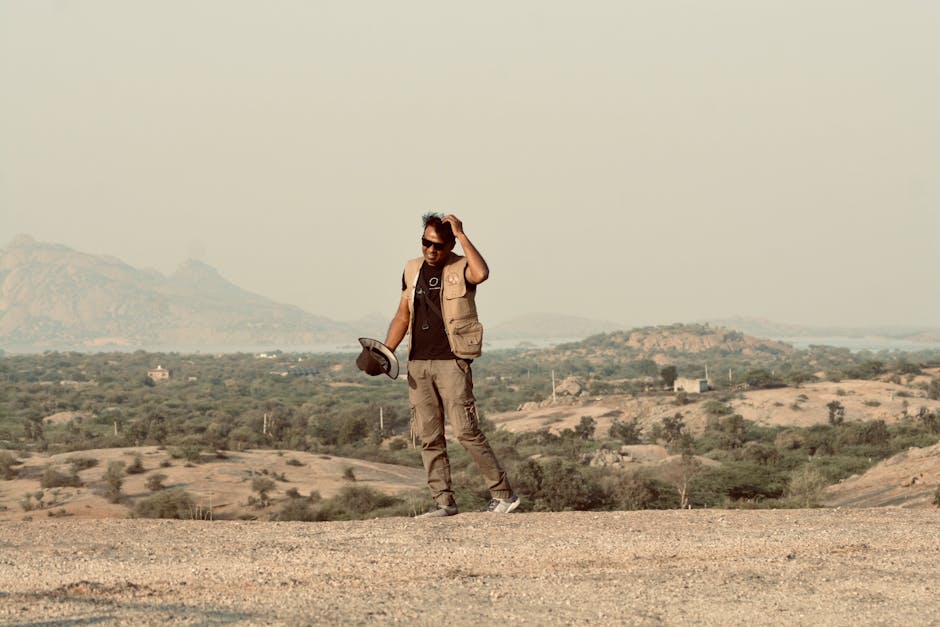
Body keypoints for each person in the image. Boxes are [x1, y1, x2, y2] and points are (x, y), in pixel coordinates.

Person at [381, 212, 519, 517]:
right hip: (418, 363)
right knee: (428, 436)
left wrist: (463, 234)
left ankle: (503, 495)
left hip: (452, 362)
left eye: (439, 245)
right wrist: (385, 352)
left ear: (450, 245)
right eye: (426, 243)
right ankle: (443, 502)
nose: (431, 250)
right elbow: (403, 315)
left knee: (466, 431)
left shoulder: (461, 266)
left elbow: (481, 273)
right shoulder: (411, 270)